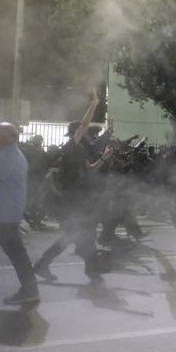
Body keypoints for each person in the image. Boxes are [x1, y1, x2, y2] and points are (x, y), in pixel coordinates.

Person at [33, 90, 114, 285]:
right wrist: (94, 103)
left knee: (76, 235)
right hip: (70, 200)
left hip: (78, 199)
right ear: (76, 133)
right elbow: (85, 123)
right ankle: (92, 272)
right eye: (83, 132)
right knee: (80, 234)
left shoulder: (80, 151)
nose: (86, 133)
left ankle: (46, 265)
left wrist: (105, 157)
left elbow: (90, 170)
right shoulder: (70, 147)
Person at [0, 123, 40, 305]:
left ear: (9, 137)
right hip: (2, 215)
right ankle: (30, 289)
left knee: (18, 255)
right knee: (18, 255)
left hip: (0, 217)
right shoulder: (11, 154)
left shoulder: (6, 156)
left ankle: (30, 290)